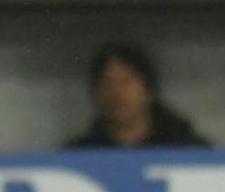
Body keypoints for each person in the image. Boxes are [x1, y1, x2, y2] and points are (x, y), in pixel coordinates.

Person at [65, 42, 211, 148]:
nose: (116, 92)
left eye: (126, 81)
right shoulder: (80, 153)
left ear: (149, 89)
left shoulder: (188, 149)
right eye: (106, 83)